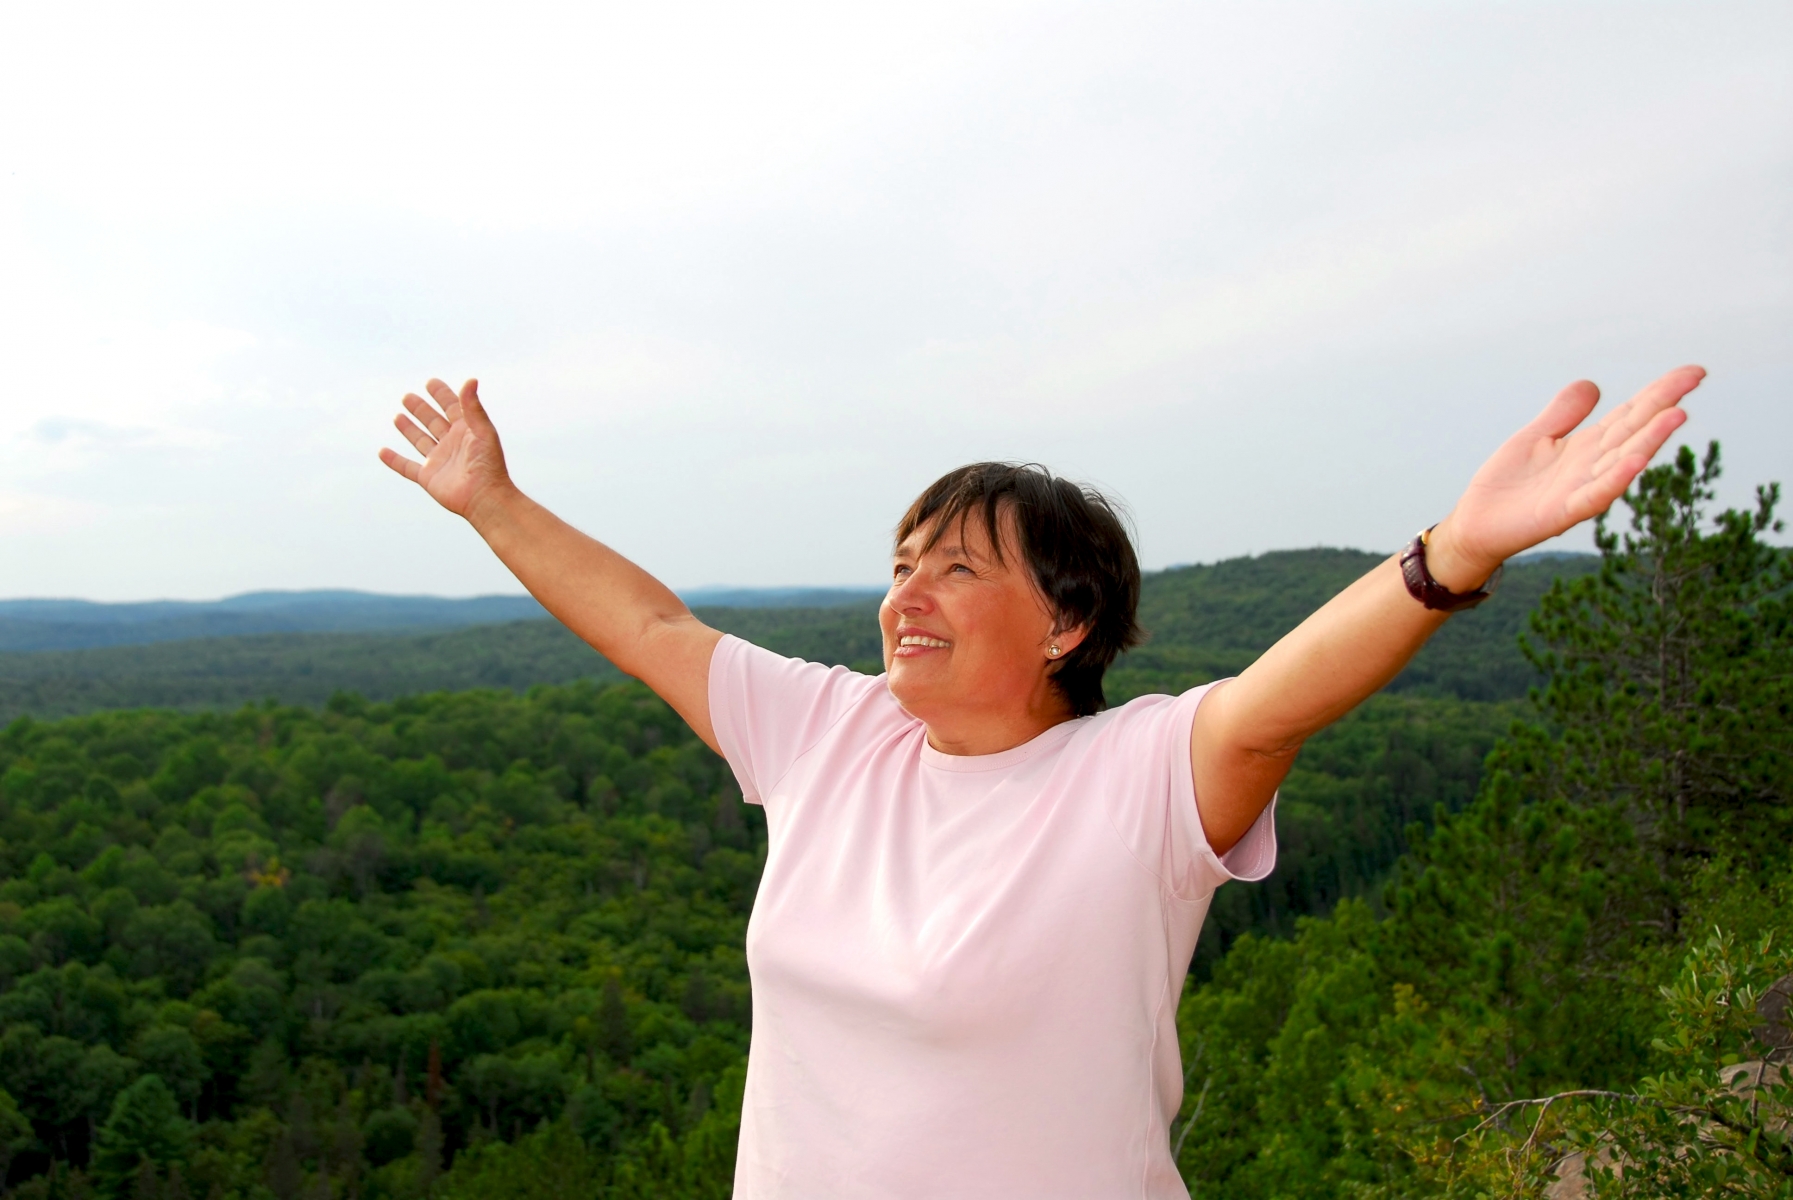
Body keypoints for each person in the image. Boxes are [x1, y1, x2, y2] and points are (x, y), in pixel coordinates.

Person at [379, 366, 1702, 1199]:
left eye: (957, 568)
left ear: (1065, 625)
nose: (908, 595)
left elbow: (1284, 694)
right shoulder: (832, 733)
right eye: (904, 563)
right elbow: (650, 626)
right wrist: (490, 500)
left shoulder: (1133, 783)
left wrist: (1453, 552)